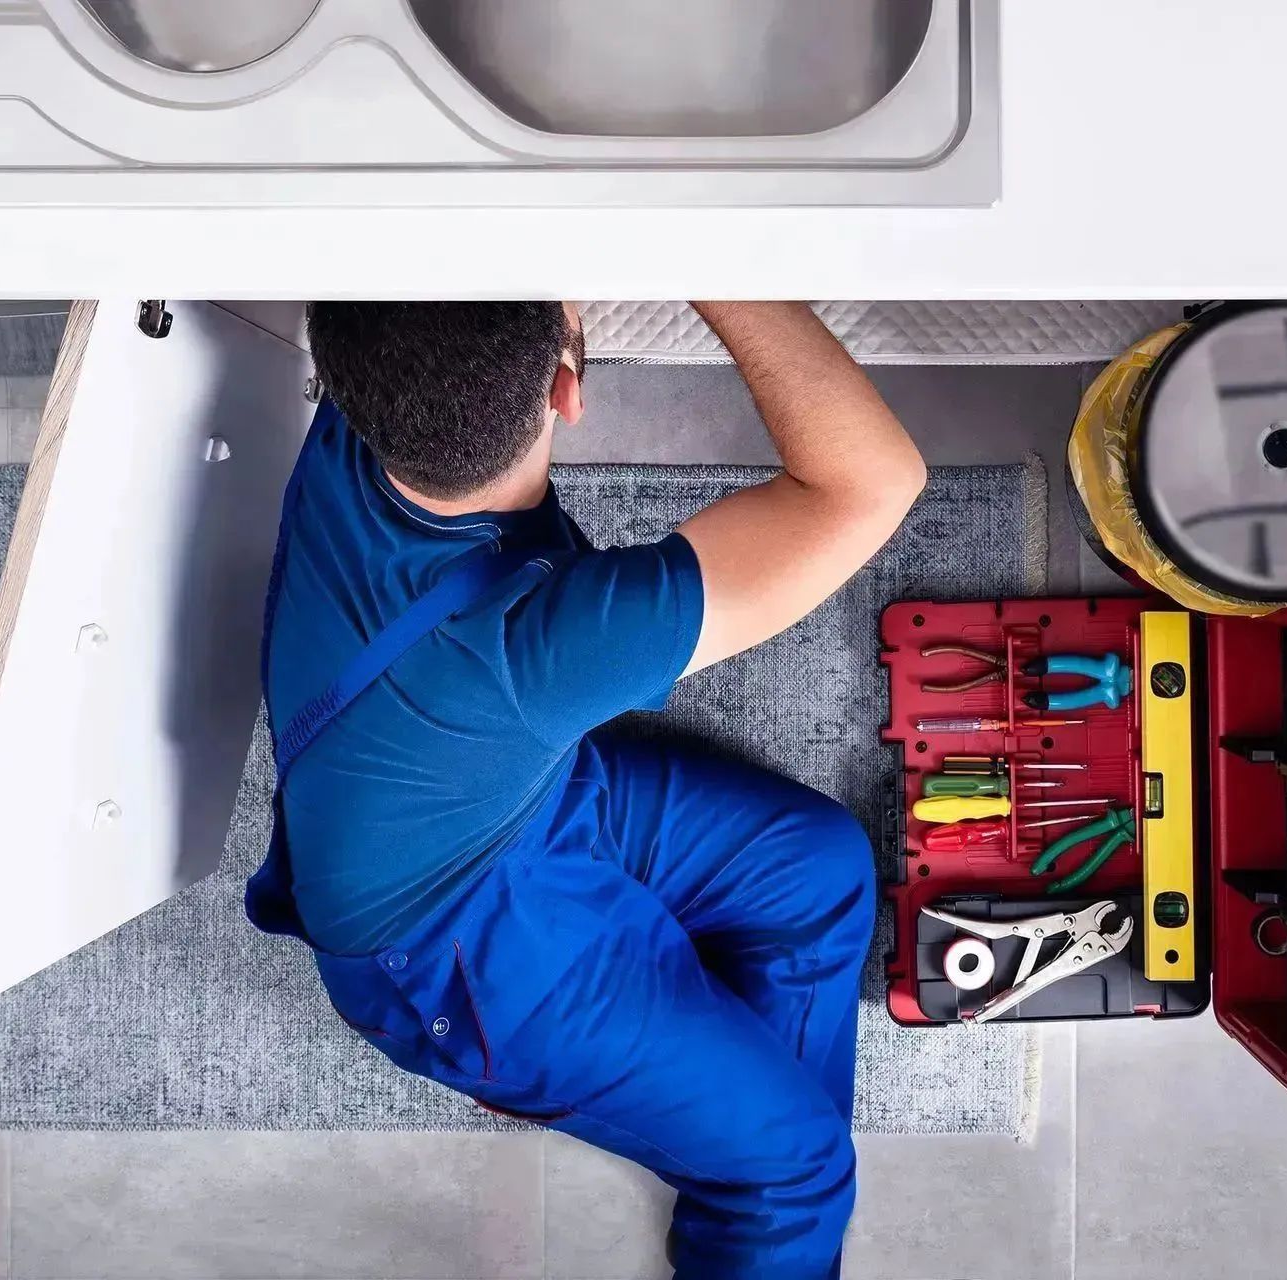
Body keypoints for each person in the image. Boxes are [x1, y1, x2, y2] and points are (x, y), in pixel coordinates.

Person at [248, 301, 925, 1279]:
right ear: (570, 386)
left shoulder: (370, 396)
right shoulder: (548, 641)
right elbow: (874, 481)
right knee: (798, 1171)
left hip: (506, 806)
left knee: (815, 864)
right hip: (459, 953)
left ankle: (726, 1128)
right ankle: (751, 1166)